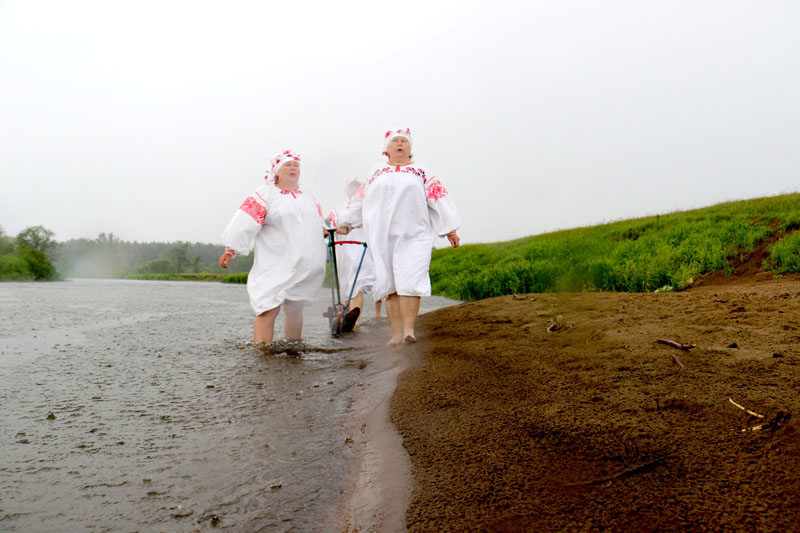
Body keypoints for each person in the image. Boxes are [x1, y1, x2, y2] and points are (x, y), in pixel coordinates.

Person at [338, 128, 461, 345]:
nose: (400, 144)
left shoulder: (421, 171)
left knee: (411, 279)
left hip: (415, 233)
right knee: (389, 283)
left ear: (410, 148)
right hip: (382, 235)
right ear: (387, 147)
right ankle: (395, 334)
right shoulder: (376, 172)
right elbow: (361, 201)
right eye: (395, 141)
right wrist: (347, 223)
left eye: (404, 141)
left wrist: (449, 229)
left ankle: (408, 330)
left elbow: (438, 199)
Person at [219, 149, 326, 343]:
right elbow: (245, 221)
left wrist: (326, 229)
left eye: (296, 165)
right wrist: (231, 249)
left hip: (303, 261)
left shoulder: (308, 197)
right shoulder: (266, 194)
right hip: (275, 261)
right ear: (277, 170)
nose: (293, 168)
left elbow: (319, 223)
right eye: (288, 165)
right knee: (268, 306)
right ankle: (262, 354)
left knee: (295, 307)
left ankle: (292, 350)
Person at [324, 178, 380, 325]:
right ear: (346, 190)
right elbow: (327, 223)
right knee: (345, 285)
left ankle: (355, 322)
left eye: (357, 187)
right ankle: (344, 318)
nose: (354, 189)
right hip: (341, 249)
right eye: (351, 187)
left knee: (357, 282)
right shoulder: (338, 209)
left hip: (360, 248)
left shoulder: (365, 206)